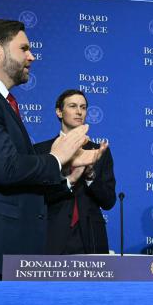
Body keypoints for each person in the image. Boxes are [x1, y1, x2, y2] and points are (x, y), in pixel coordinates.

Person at [0, 19, 105, 279]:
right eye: (24, 48)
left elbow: (20, 183)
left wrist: (68, 178)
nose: (32, 56)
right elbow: (6, 168)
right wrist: (56, 158)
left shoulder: (0, 102)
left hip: (6, 256)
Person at [34, 89, 116, 254]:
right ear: (59, 112)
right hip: (52, 233)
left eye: (83, 107)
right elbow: (36, 199)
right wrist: (69, 179)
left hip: (91, 237)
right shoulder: (41, 151)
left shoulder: (98, 151)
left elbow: (109, 201)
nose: (79, 111)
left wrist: (90, 176)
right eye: (73, 106)